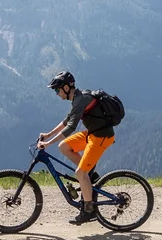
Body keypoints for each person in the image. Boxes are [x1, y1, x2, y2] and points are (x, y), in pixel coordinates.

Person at [36, 71, 115, 224]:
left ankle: (88, 211)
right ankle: (90, 176)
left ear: (66, 87)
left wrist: (47, 143)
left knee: (80, 172)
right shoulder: (77, 98)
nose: (56, 93)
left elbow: (71, 127)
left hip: (101, 136)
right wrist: (48, 134)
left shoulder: (81, 99)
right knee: (64, 146)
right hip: (92, 133)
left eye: (57, 90)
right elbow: (66, 120)